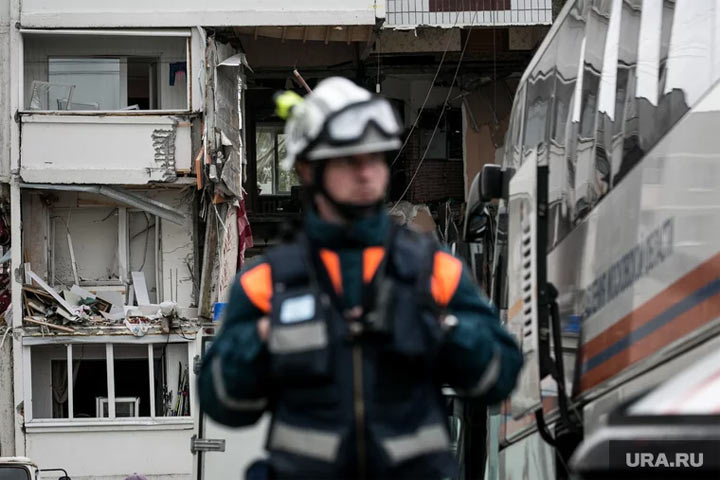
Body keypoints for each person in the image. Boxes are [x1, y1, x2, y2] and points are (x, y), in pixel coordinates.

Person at [197, 77, 522, 480]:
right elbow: (220, 402)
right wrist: (264, 339)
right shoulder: (268, 283)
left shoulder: (432, 271)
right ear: (308, 168)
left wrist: (444, 329)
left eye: (376, 158)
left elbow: (502, 375)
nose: (367, 172)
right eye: (349, 160)